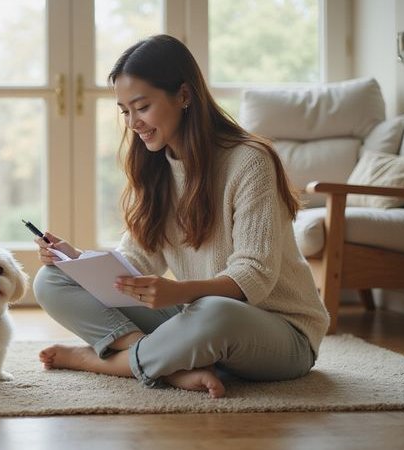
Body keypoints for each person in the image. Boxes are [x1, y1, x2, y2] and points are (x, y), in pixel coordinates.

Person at [31, 34, 329, 398]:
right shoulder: (156, 168)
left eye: (141, 107)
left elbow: (255, 275)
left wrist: (179, 292)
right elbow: (138, 261)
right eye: (125, 111)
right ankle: (171, 365)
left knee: (214, 312)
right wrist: (76, 260)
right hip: (197, 318)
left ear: (184, 96)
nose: (132, 123)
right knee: (51, 281)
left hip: (280, 333)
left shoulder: (250, 161)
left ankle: (100, 360)